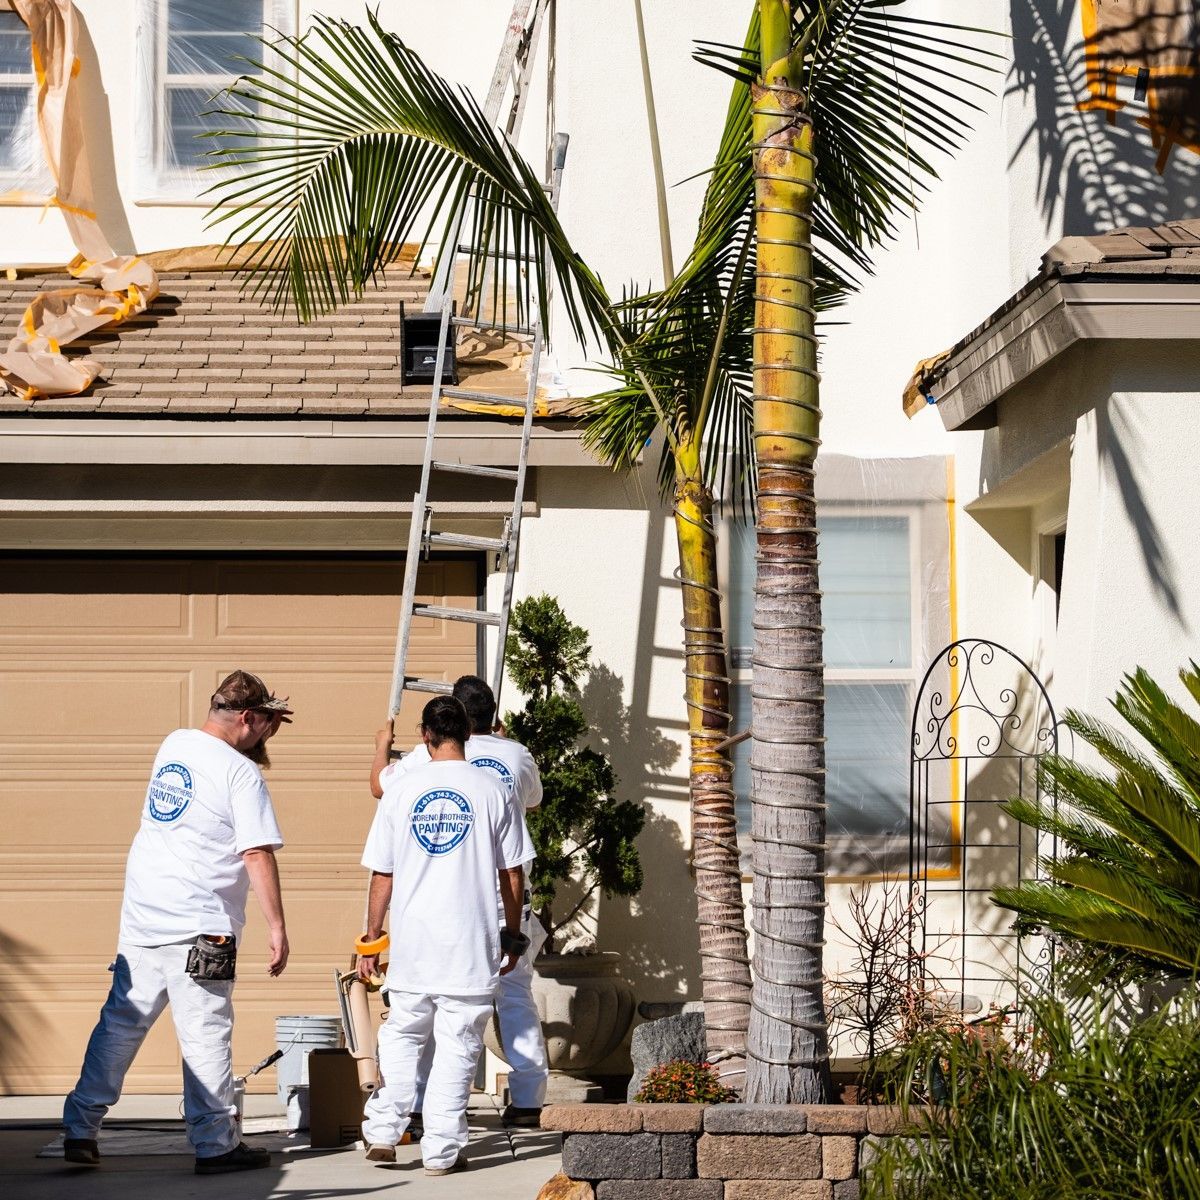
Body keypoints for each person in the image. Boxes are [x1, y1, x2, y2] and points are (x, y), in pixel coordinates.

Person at [62, 670, 293, 1176]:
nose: (269, 736)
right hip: (202, 924)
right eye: (267, 723)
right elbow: (255, 852)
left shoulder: (175, 744)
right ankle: (215, 1146)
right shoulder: (241, 773)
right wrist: (277, 926)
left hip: (144, 917)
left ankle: (80, 1127)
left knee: (120, 1026)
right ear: (247, 718)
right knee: (206, 1033)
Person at [359, 695, 532, 1176]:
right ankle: (439, 1150)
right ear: (469, 734)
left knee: (401, 1035)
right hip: (469, 943)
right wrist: (512, 935)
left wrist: (371, 941)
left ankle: (382, 1130)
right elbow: (512, 873)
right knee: (458, 1047)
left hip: (414, 944)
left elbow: (382, 876)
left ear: (424, 736)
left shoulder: (401, 790)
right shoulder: (492, 788)